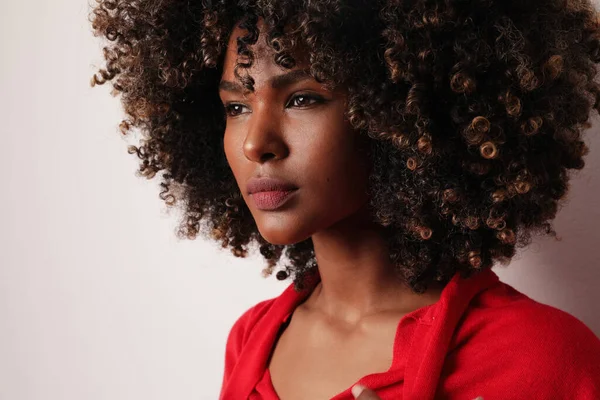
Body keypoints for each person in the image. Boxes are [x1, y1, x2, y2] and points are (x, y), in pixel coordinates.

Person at [89, 0, 600, 398]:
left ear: (402, 112)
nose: (254, 142)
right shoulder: (253, 341)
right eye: (237, 106)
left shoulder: (543, 360)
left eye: (303, 99)